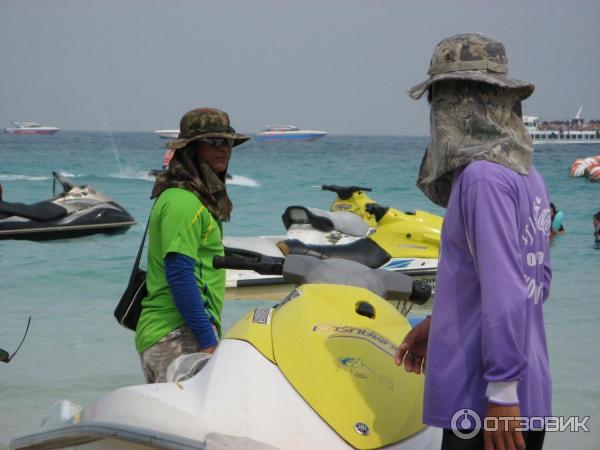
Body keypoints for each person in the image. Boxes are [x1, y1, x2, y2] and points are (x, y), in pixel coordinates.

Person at [395, 33, 552, 450]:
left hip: (484, 403)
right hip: (528, 390)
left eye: (441, 100)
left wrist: (501, 393)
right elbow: (538, 282)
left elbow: (505, 292)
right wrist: (443, 322)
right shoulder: (526, 173)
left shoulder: (483, 178)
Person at [135, 108, 249, 383]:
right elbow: (180, 273)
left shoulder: (191, 198)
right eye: (213, 142)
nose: (223, 149)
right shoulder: (184, 202)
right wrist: (207, 340)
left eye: (227, 142)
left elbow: (200, 258)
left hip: (176, 332)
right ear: (191, 149)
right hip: (177, 334)